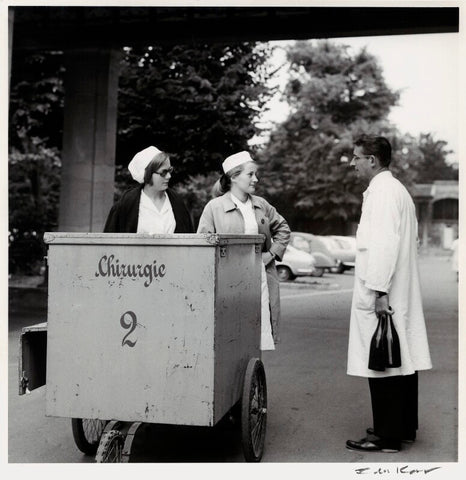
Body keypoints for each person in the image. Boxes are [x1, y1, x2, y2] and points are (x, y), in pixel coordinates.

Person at [346, 135, 432, 453]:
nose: (352, 163)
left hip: (384, 290)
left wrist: (380, 292)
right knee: (401, 359)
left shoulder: (382, 193)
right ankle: (402, 427)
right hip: (398, 289)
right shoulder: (396, 190)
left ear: (372, 160)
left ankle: (386, 436)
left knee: (382, 360)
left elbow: (383, 245)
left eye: (356, 157)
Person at [197, 151, 290, 350]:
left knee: (259, 336)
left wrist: (271, 254)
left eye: (255, 174)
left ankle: (253, 379)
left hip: (261, 279)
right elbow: (203, 247)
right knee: (231, 337)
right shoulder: (214, 208)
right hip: (228, 281)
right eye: (250, 174)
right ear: (234, 177)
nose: (256, 179)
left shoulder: (261, 205)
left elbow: (283, 228)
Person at [104, 146, 194, 233]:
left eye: (169, 170)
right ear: (148, 174)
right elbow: (110, 240)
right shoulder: (127, 203)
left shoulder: (177, 202)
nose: (169, 176)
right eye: (163, 172)